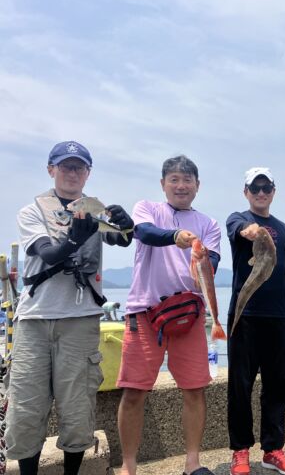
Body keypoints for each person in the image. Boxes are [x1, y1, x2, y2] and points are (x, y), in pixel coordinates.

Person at [6, 141, 133, 475]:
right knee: (27, 408)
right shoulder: (32, 211)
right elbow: (48, 254)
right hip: (35, 321)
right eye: (65, 166)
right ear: (51, 169)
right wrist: (74, 238)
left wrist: (126, 223)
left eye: (79, 167)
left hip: (80, 320)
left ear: (88, 173)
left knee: (77, 409)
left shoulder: (94, 210)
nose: (72, 173)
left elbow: (122, 238)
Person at [116, 155, 221, 475]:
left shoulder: (209, 224)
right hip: (144, 312)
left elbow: (212, 264)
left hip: (189, 314)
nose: (181, 185)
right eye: (174, 179)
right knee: (133, 390)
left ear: (198, 186)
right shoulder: (147, 208)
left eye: (188, 180)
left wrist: (204, 263)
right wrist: (174, 237)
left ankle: (193, 463)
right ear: (163, 184)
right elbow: (145, 233)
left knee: (195, 389)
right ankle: (128, 466)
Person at [226, 167, 285, 475]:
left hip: (277, 317)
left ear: (273, 191)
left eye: (266, 188)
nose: (260, 193)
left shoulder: (283, 229)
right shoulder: (237, 218)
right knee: (240, 385)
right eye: (254, 188)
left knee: (279, 384)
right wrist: (250, 230)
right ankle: (240, 450)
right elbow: (237, 228)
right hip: (244, 316)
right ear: (246, 192)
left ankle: (273, 450)